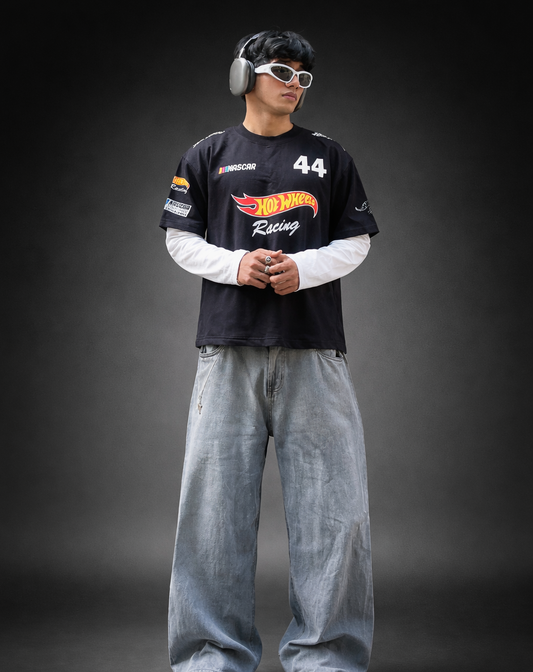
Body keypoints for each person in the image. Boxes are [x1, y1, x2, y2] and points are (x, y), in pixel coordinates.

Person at [159, 29, 379, 672]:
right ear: (243, 74)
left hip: (315, 350)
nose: (294, 84)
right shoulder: (207, 154)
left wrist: (302, 270)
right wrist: (236, 265)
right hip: (226, 352)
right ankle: (211, 655)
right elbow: (178, 238)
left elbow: (356, 241)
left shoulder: (330, 158)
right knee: (212, 513)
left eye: (304, 76)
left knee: (335, 513)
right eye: (282, 70)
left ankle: (327, 657)